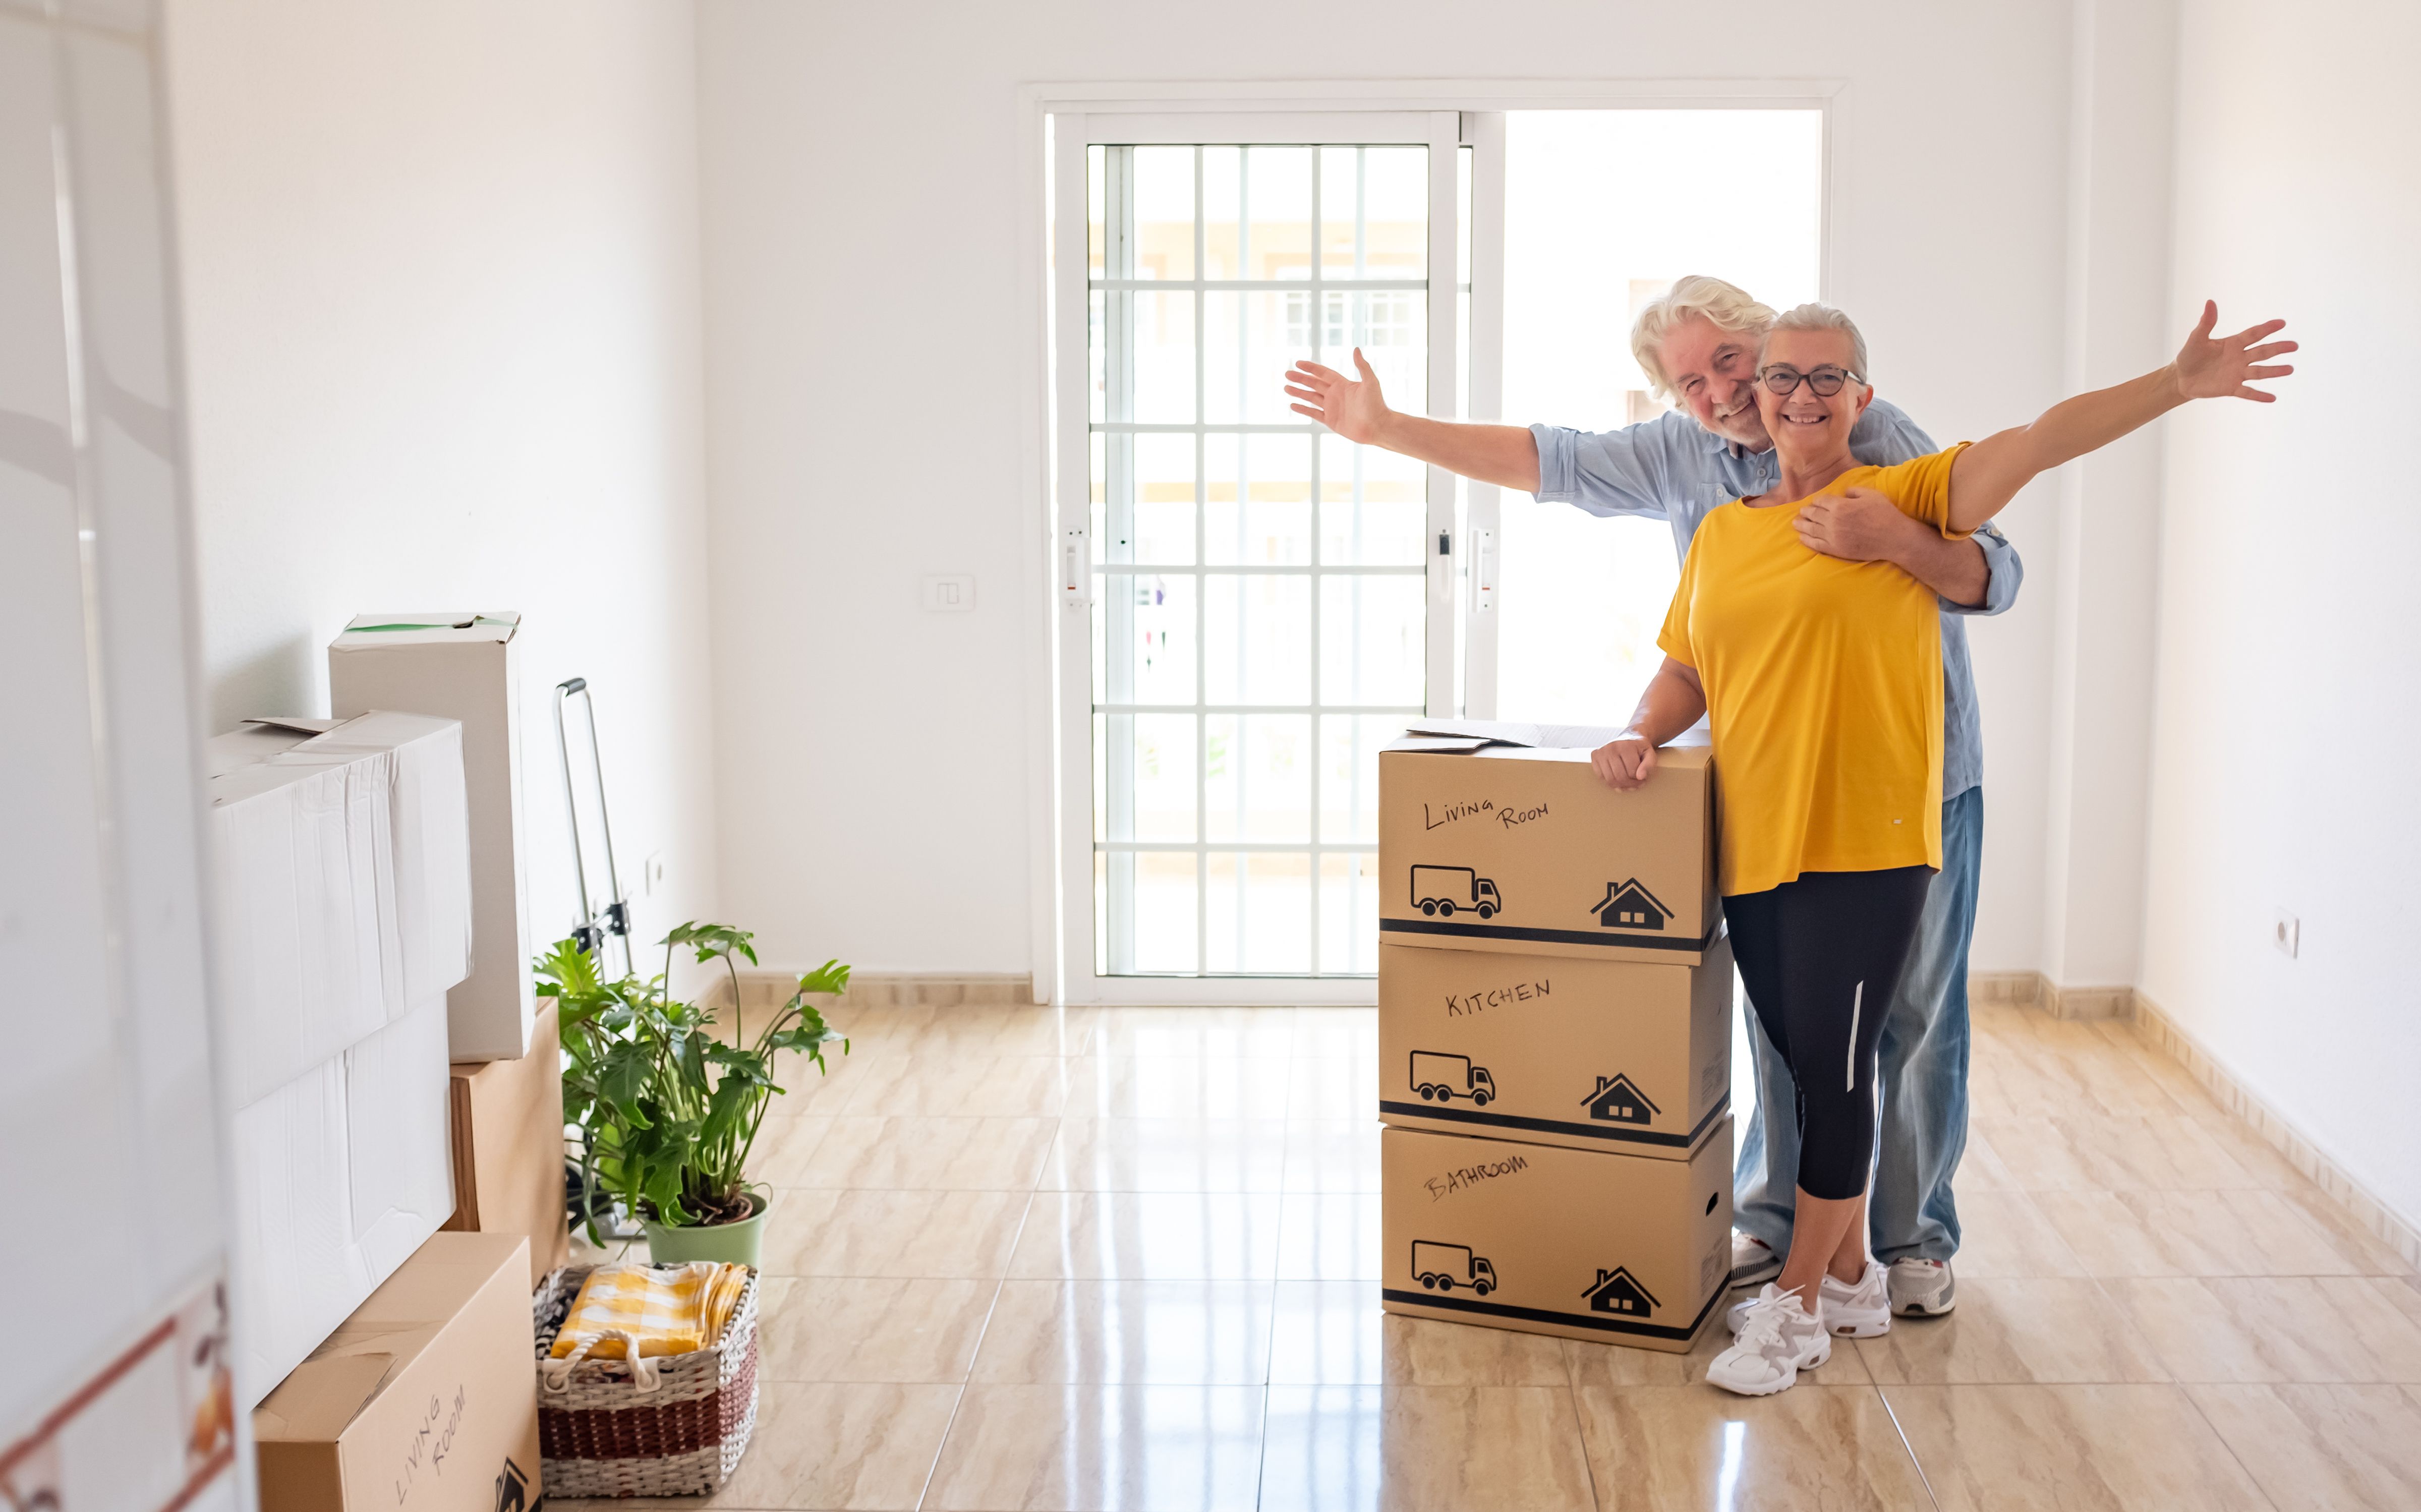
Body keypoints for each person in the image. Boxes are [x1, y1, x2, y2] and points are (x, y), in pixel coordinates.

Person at [1593, 299, 2292, 1393]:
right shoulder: (1725, 532)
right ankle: (1860, 1272)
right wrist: (1639, 733)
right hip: (1756, 844)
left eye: (1829, 377)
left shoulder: (1903, 492)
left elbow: (2039, 441)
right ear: (1756, 398)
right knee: (1794, 1054)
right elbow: (1687, 665)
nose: (1801, 395)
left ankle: (1797, 1307)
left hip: (1871, 842)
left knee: (1837, 1068)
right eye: (1783, 376)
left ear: (1862, 399)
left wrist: (2174, 382)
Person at [1285, 276, 2008, 1317]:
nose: (1718, 391)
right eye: (1690, 380)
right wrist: (1388, 428)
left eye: (1729, 362)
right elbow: (1551, 460)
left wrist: (1892, 540)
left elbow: (1996, 570)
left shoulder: (1869, 423)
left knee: (1913, 1017)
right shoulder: (1683, 457)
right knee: (1793, 1025)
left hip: (1910, 777)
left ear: (1773, 357)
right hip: (1767, 780)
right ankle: (1787, 1222)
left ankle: (1912, 1238)